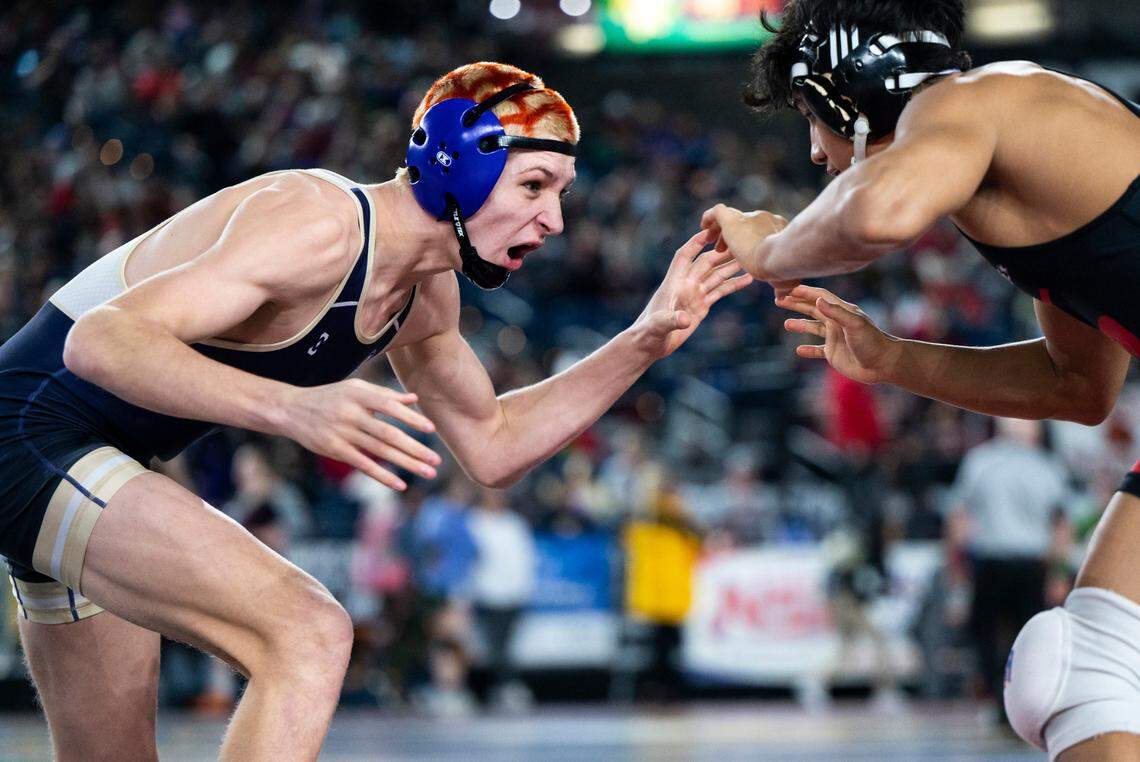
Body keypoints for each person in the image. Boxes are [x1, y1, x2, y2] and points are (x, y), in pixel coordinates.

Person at [0, 61, 752, 760]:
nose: (554, 220)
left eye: (561, 192)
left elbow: (493, 445)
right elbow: (102, 343)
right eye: (534, 186)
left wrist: (643, 340)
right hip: (30, 433)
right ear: (464, 163)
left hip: (84, 457)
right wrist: (294, 409)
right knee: (308, 632)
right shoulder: (319, 221)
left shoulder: (424, 295)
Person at [701, 1, 1140, 758]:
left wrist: (770, 248)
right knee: (1076, 672)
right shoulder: (1013, 162)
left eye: (812, 115)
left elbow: (880, 212)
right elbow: (1077, 387)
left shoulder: (969, 100)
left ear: (854, 96)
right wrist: (890, 359)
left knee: (1083, 669)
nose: (814, 152)